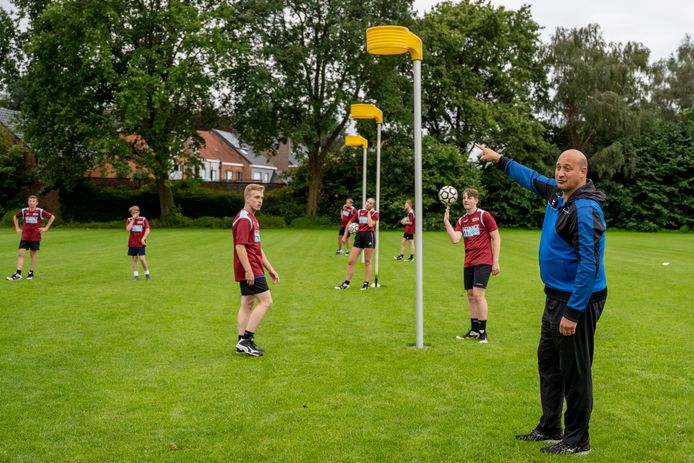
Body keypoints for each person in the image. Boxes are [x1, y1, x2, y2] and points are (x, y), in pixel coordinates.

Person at [478, 145, 607, 456]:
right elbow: (530, 177)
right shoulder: (556, 194)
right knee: (549, 365)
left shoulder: (585, 209)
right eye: (558, 167)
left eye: (568, 168)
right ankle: (551, 427)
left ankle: (578, 441)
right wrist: (500, 160)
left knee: (575, 371)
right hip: (554, 296)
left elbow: (589, 264)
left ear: (583, 173)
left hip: (578, 301)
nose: (560, 173)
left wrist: (573, 313)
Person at [443, 188, 501, 344]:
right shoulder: (462, 220)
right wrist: (446, 222)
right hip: (469, 262)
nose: (465, 200)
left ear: (476, 200)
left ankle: (483, 332)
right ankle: (474, 330)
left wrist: (495, 261)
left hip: (483, 260)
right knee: (470, 296)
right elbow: (455, 239)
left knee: (478, 295)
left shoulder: (484, 216)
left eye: (469, 198)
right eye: (463, 198)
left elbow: (496, 237)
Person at [232, 183, 280, 357]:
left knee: (247, 303)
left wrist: (270, 269)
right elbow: (240, 246)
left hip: (253, 265)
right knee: (266, 302)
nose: (260, 201)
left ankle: (241, 342)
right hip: (250, 267)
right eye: (256, 197)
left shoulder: (251, 218)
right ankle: (246, 339)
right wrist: (248, 270)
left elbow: (257, 248)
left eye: (261, 198)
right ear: (247, 198)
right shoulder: (245, 219)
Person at [6, 195, 56, 281]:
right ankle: (18, 274)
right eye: (30, 201)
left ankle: (31, 273)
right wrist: (17, 228)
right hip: (25, 236)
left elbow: (52, 217)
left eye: (33, 201)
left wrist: (46, 228)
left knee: (32, 255)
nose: (31, 203)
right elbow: (15, 217)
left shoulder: (40, 211)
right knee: (21, 254)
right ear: (28, 202)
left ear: (36, 203)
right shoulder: (24, 211)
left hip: (35, 237)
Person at [335, 197, 379, 291]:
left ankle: (366, 283)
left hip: (369, 236)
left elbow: (371, 224)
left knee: (368, 262)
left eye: (370, 203)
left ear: (373, 206)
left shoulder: (375, 213)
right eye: (367, 202)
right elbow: (349, 223)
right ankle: (346, 283)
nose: (368, 204)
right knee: (350, 261)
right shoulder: (359, 212)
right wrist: (344, 236)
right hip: (359, 237)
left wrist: (368, 213)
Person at [125, 205, 152, 281]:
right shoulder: (129, 219)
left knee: (142, 259)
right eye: (132, 213)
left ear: (139, 212)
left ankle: (147, 274)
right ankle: (136, 276)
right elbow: (128, 229)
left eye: (136, 212)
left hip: (141, 243)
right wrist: (133, 220)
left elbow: (147, 230)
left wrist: (143, 239)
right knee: (134, 259)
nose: (134, 214)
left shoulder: (143, 219)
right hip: (132, 243)